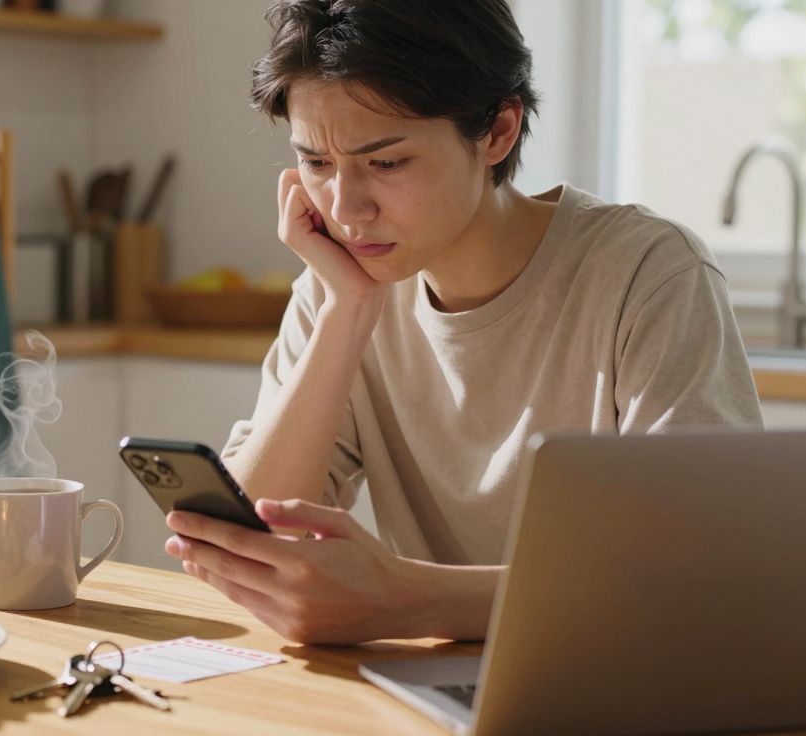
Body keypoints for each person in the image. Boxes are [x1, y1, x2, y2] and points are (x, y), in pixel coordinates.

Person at [162, 0, 763, 645]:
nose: (347, 209)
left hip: (616, 672)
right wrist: (347, 312)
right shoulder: (342, 286)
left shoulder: (647, 272)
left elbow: (703, 572)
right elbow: (246, 545)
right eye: (317, 164)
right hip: (427, 680)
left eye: (386, 163)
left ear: (498, 131)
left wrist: (409, 600)